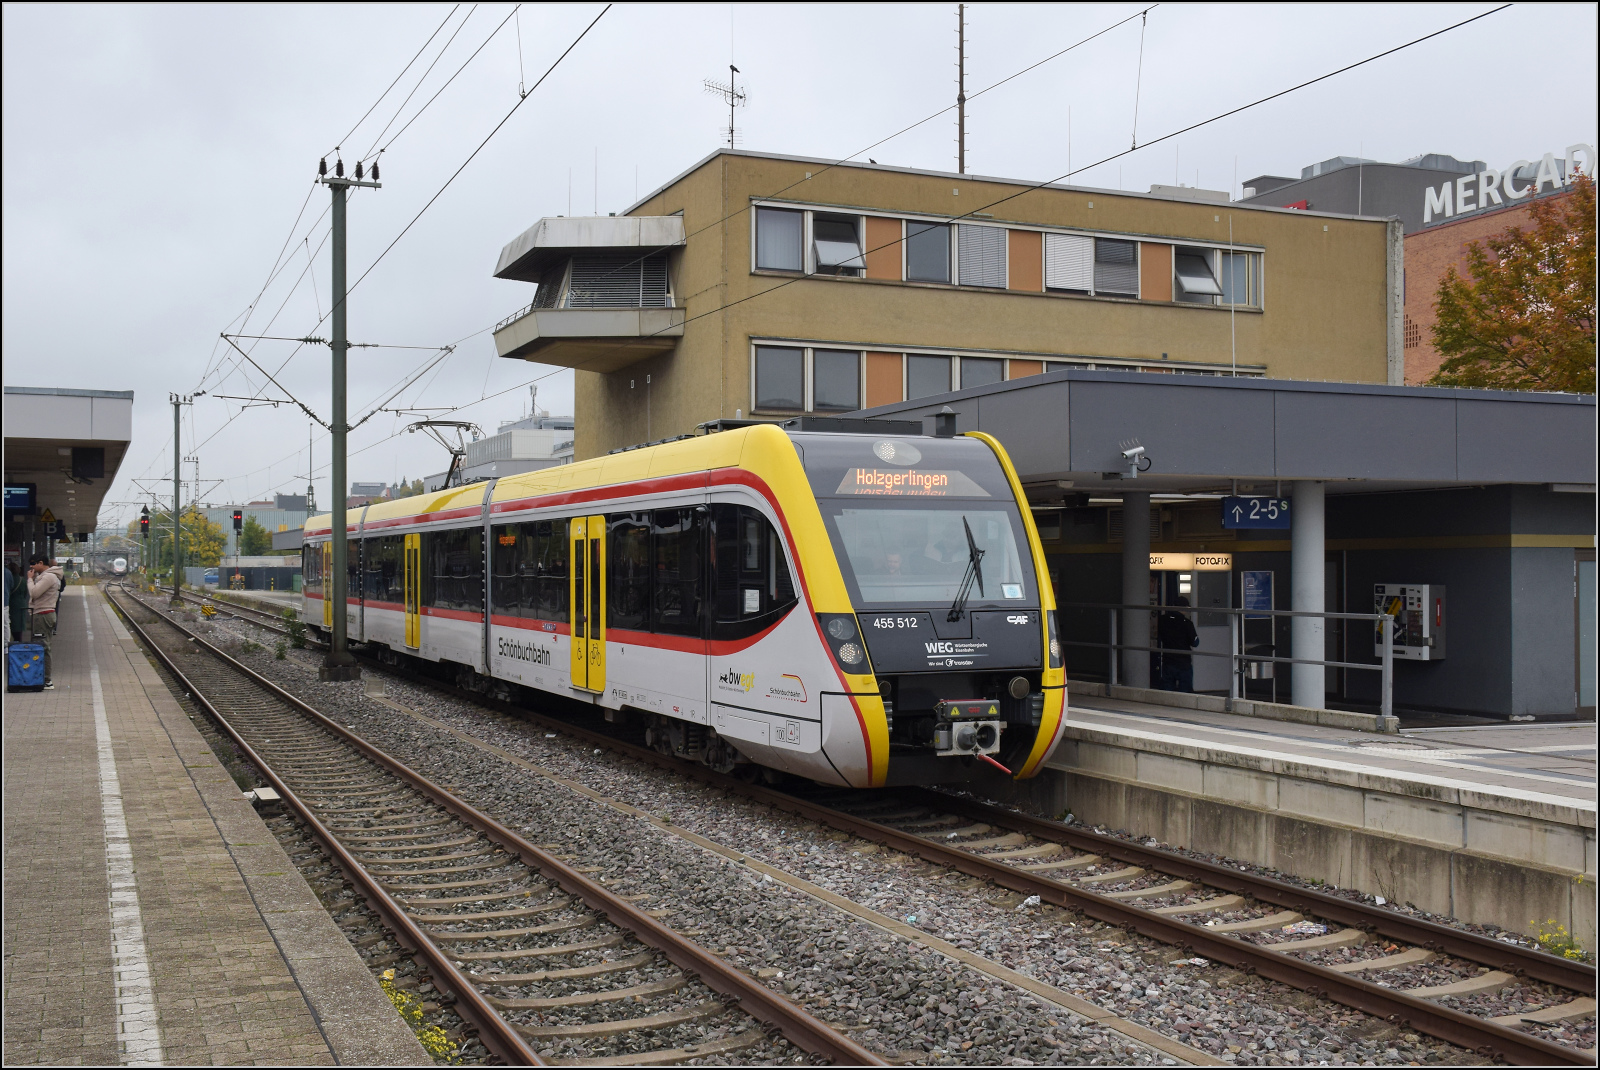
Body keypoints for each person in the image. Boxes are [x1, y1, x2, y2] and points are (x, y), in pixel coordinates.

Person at [27, 556, 63, 690]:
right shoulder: (47, 576)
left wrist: (30, 579)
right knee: (42, 645)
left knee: (43, 646)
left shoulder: (48, 577)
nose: (31, 567)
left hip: (43, 614)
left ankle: (47, 680)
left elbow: (34, 593)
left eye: (33, 564)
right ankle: (42, 677)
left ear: (41, 563)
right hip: (44, 613)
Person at [1157, 596, 1200, 693]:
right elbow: (1195, 642)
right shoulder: (1187, 623)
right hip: (1183, 661)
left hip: (1168, 659)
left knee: (1167, 690)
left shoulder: (1163, 620)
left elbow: (1159, 636)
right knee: (1185, 690)